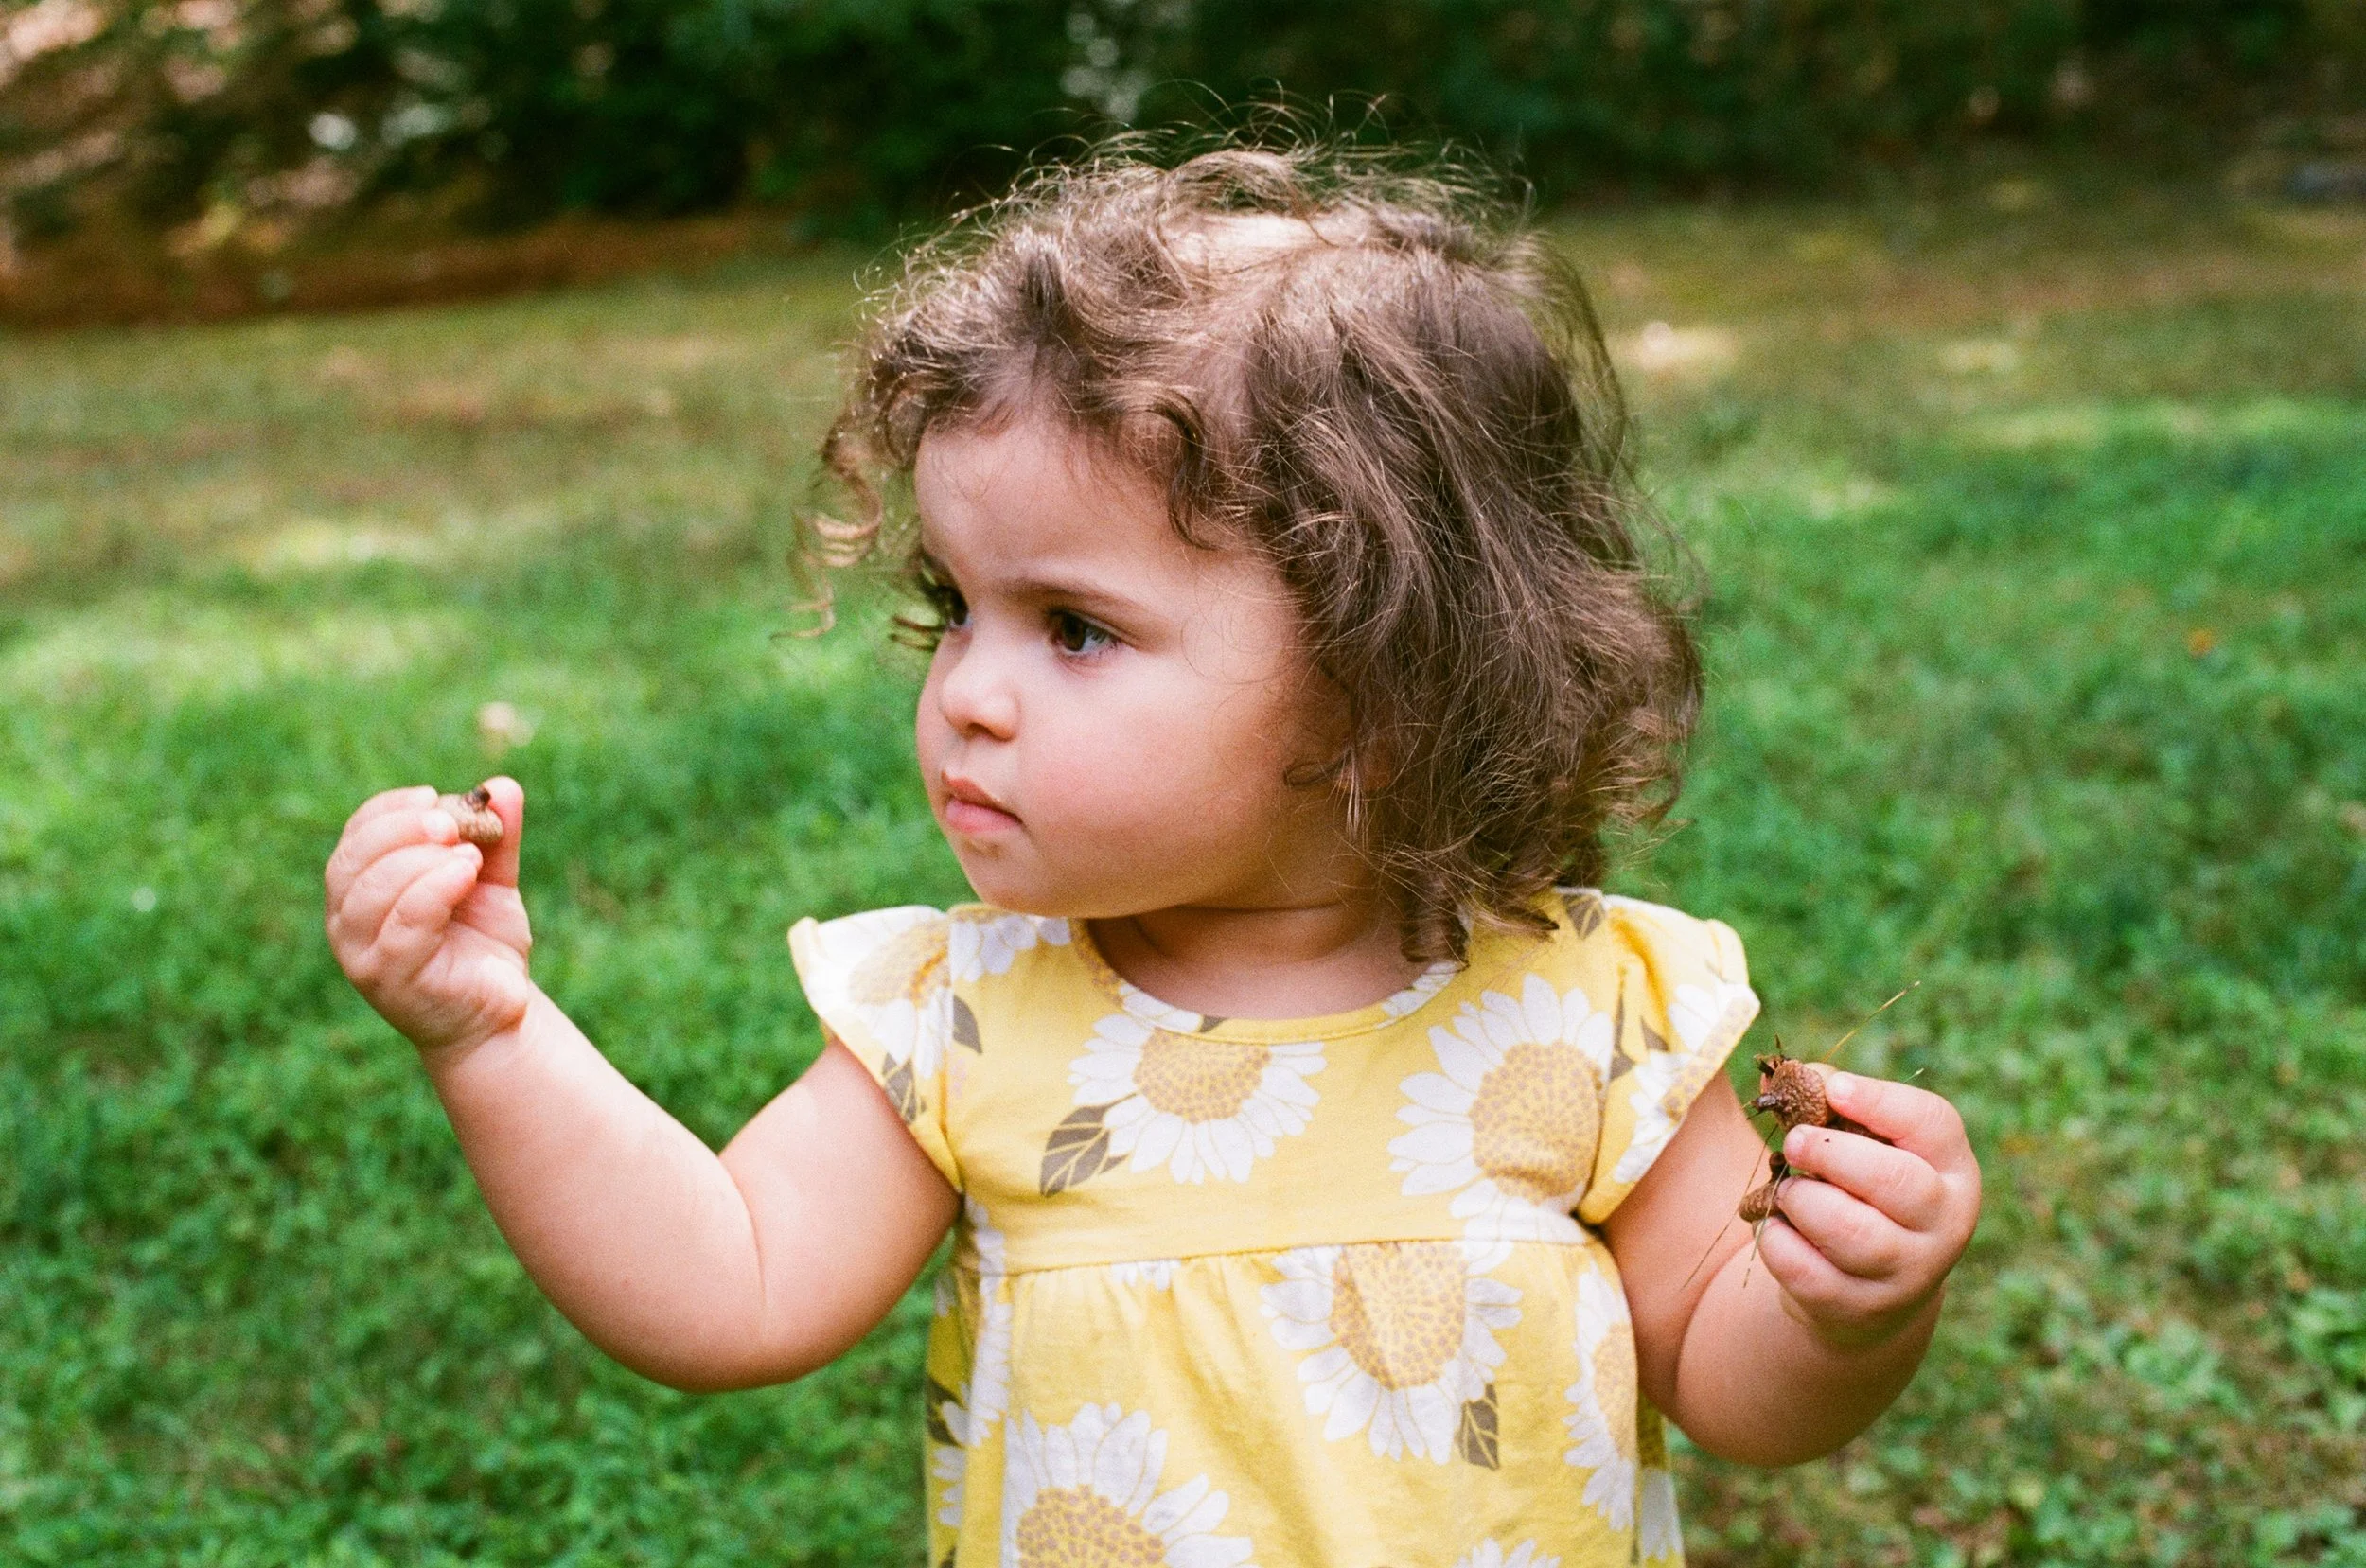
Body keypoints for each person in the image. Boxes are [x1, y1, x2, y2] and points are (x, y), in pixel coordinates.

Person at [324, 140, 1981, 1566]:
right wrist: (495, 1036)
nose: (968, 695)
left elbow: (1733, 1381)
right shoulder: (972, 1019)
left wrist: (1848, 1307)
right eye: (955, 612)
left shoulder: (1589, 1013)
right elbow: (731, 1286)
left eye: (1077, 630)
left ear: (1381, 687)